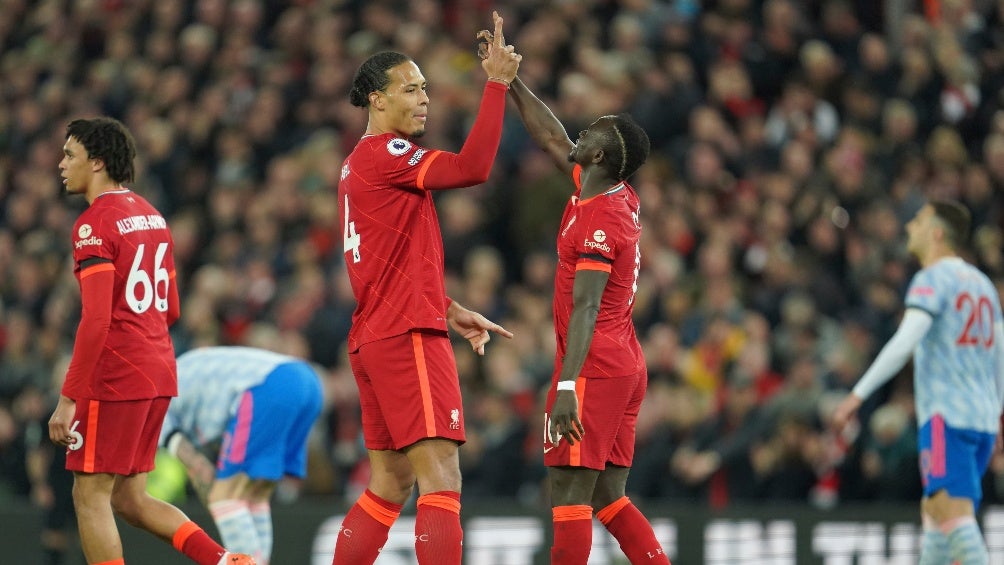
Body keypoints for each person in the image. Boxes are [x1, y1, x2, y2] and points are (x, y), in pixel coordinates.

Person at [330, 12, 519, 565]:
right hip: (405, 333)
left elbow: (391, 263)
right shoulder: (385, 155)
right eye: (410, 89)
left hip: (376, 333)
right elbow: (475, 167)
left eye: (426, 90)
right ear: (376, 101)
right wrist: (497, 84)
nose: (424, 100)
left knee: (389, 483)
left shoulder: (356, 165)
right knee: (442, 477)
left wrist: (450, 307)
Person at [478, 28, 671, 565]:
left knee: (568, 493)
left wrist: (566, 384)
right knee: (609, 498)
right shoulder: (608, 186)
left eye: (593, 130)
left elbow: (586, 306)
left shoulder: (600, 222)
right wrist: (510, 84)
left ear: (604, 151)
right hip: (624, 360)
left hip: (594, 366)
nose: (580, 133)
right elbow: (552, 139)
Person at [45, 117, 255, 565]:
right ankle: (224, 561)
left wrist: (68, 398)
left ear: (96, 163)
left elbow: (97, 320)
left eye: (69, 155)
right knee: (130, 500)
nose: (61, 164)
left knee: (90, 495)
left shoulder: (93, 224)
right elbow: (172, 308)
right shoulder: (152, 215)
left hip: (117, 376)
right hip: (159, 368)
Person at [833, 200, 1004, 565]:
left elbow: (904, 342)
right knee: (935, 514)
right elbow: (999, 354)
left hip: (947, 418)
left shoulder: (933, 279)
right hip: (983, 421)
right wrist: (1000, 413)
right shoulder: (984, 285)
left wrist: (857, 395)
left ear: (938, 233)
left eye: (919, 221)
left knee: (953, 515)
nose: (910, 226)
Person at [159, 346, 324, 565]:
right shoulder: (176, 371)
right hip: (307, 381)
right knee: (255, 496)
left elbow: (198, 467)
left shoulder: (151, 403)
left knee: (224, 497)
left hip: (268, 386)